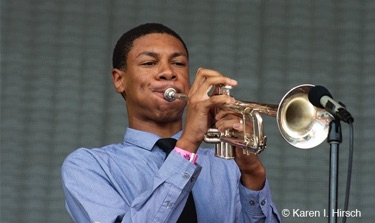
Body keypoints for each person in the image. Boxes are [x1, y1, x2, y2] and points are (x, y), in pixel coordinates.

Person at [62, 23, 281, 223]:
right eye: (149, 63)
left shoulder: (227, 164)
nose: (168, 72)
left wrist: (252, 173)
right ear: (119, 80)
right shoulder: (88, 166)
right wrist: (188, 143)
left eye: (178, 63)